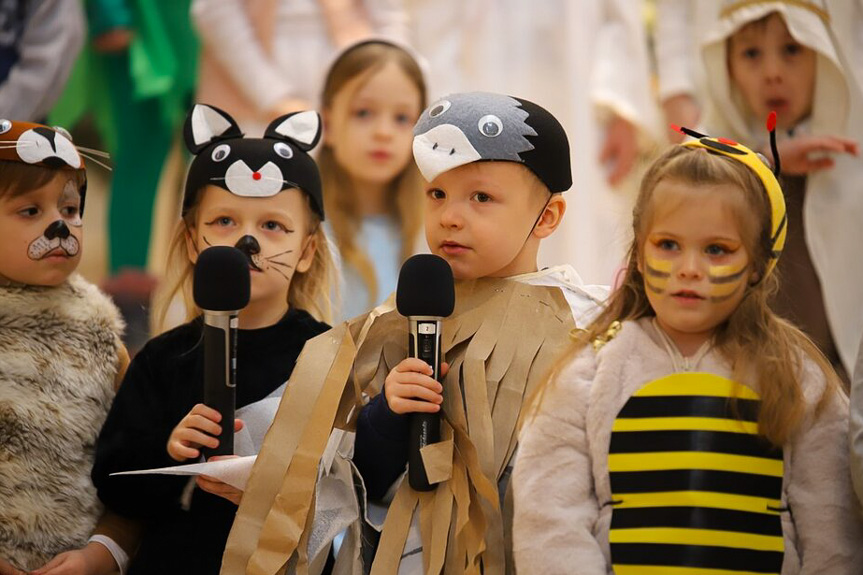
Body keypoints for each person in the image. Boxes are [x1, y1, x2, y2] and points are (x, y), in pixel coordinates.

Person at [219, 92, 609, 574]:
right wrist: (387, 412)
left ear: (546, 217)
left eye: (481, 197)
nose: (450, 216)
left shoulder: (585, 324)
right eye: (437, 194)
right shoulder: (400, 320)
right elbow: (366, 479)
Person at [513, 131, 863, 573]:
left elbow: (833, 532)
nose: (689, 269)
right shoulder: (587, 373)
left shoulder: (798, 379)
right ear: (639, 252)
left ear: (757, 263)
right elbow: (549, 523)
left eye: (717, 249)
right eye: (668, 245)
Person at [88, 104, 333, 574]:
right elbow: (113, 483)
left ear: (306, 251)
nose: (247, 242)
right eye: (225, 222)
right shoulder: (163, 357)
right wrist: (169, 450)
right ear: (190, 241)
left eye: (272, 226)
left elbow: (356, 479)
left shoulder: (330, 353)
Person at [696, 0, 863, 380]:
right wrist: (767, 161)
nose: (772, 73)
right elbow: (696, 202)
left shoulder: (853, 157)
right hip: (747, 376)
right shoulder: (711, 156)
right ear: (728, 68)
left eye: (792, 49)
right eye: (751, 53)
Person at [0, 120, 131, 573]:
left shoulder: (101, 335)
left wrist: (104, 553)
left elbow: (131, 468)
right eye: (29, 211)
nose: (60, 225)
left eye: (70, 208)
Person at [319, 40, 426, 321]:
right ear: (327, 125)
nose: (383, 132)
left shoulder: (431, 230)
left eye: (402, 118)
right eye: (363, 113)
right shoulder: (305, 229)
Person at [191, 0, 408, 136]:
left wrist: (389, 79)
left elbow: (390, 18)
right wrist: (272, 97)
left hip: (355, 97)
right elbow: (213, 10)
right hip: (250, 100)